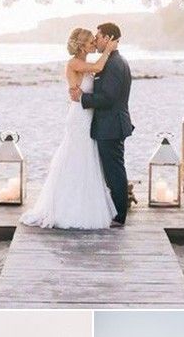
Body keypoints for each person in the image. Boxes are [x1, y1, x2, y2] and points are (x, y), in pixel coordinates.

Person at [21, 27, 118, 230]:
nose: (94, 44)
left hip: (86, 113)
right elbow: (99, 68)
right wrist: (108, 50)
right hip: (79, 117)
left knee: (86, 157)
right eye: (91, 41)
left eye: (95, 40)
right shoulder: (74, 62)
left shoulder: (84, 64)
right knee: (77, 156)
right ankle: (67, 208)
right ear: (82, 45)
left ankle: (82, 203)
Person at [69, 22, 134, 226]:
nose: (95, 41)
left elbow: (108, 98)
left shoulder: (114, 64)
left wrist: (83, 98)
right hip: (107, 123)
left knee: (114, 170)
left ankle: (119, 215)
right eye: (93, 39)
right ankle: (114, 210)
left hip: (111, 125)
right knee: (110, 169)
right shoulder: (111, 61)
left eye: (98, 37)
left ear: (108, 39)